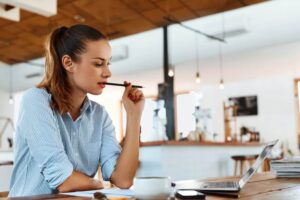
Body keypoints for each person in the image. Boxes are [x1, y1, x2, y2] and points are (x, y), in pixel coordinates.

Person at [9, 24, 145, 196]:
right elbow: (64, 180)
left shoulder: (99, 116)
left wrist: (134, 115)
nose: (108, 72)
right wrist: (100, 184)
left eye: (108, 64)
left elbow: (123, 179)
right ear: (68, 63)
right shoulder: (36, 100)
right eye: (98, 64)